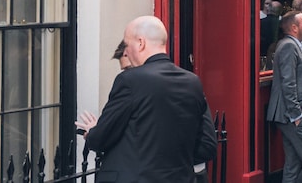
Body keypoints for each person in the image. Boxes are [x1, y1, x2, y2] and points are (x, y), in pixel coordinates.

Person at [75, 16, 217, 183]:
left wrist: (93, 132)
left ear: (141, 43)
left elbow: (100, 139)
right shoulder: (193, 82)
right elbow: (207, 145)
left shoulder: (129, 80)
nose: (126, 52)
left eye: (127, 46)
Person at [267, 11, 302, 183]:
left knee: (293, 164)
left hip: (289, 113)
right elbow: (288, 83)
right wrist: (296, 115)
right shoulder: (288, 46)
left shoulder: (293, 45)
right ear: (294, 28)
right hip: (290, 114)